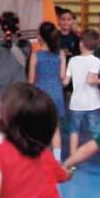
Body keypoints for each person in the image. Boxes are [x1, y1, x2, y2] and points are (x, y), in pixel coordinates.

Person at [0, 11, 32, 144]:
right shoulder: (26, 45)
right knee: (17, 122)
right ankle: (16, 152)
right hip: (18, 90)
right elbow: (28, 70)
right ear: (18, 25)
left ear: (1, 28)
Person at [29, 22, 66, 161]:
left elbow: (31, 79)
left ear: (41, 37)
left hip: (40, 93)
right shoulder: (61, 54)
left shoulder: (36, 55)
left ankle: (40, 157)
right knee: (55, 128)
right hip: (56, 93)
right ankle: (57, 159)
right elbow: (62, 76)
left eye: (38, 33)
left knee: (39, 128)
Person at [66, 29, 100, 159]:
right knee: (97, 131)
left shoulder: (72, 60)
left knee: (74, 131)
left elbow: (65, 82)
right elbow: (91, 80)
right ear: (97, 46)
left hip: (76, 103)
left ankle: (72, 157)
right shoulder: (96, 61)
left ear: (81, 44)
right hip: (92, 102)